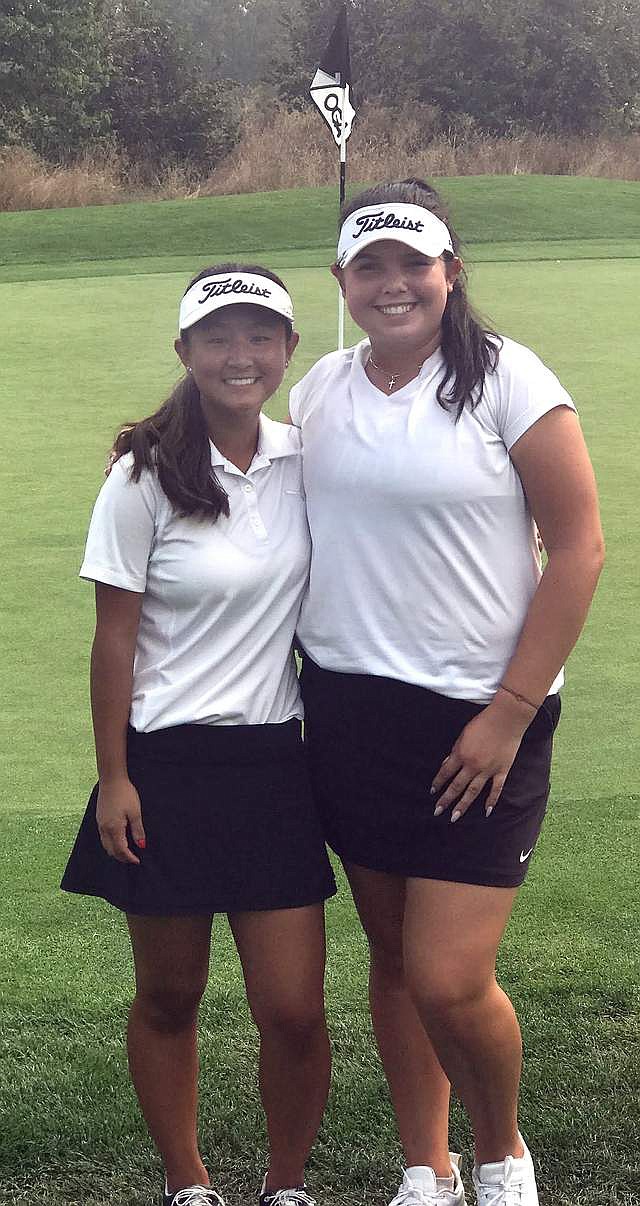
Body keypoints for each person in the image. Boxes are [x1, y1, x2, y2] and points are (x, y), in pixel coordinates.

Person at [289, 179, 604, 1206]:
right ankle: (426, 1166)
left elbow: (579, 549)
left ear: (449, 273)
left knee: (449, 977)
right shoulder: (320, 391)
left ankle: (503, 1157)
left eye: (411, 264)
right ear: (341, 281)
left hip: (484, 718)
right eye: (367, 266)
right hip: (349, 710)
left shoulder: (511, 381)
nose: (391, 285)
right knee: (391, 957)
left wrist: (508, 713)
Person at [62, 264, 336, 1206]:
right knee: (172, 995)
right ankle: (188, 1184)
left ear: (289, 350)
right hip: (165, 766)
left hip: (271, 764)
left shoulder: (307, 460)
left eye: (261, 336)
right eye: (218, 337)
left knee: (294, 1009)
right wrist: (113, 776)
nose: (241, 355)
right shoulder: (142, 476)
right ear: (184, 352)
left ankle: (288, 1184)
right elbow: (115, 636)